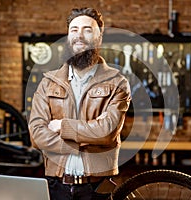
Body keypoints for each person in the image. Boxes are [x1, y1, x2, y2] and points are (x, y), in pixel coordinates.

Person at [28, 7, 131, 200]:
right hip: (56, 186)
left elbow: (106, 131)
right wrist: (87, 142)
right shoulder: (47, 83)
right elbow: (36, 134)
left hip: (97, 188)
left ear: (99, 37)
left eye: (87, 30)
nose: (79, 36)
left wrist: (62, 126)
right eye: (74, 30)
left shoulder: (117, 83)